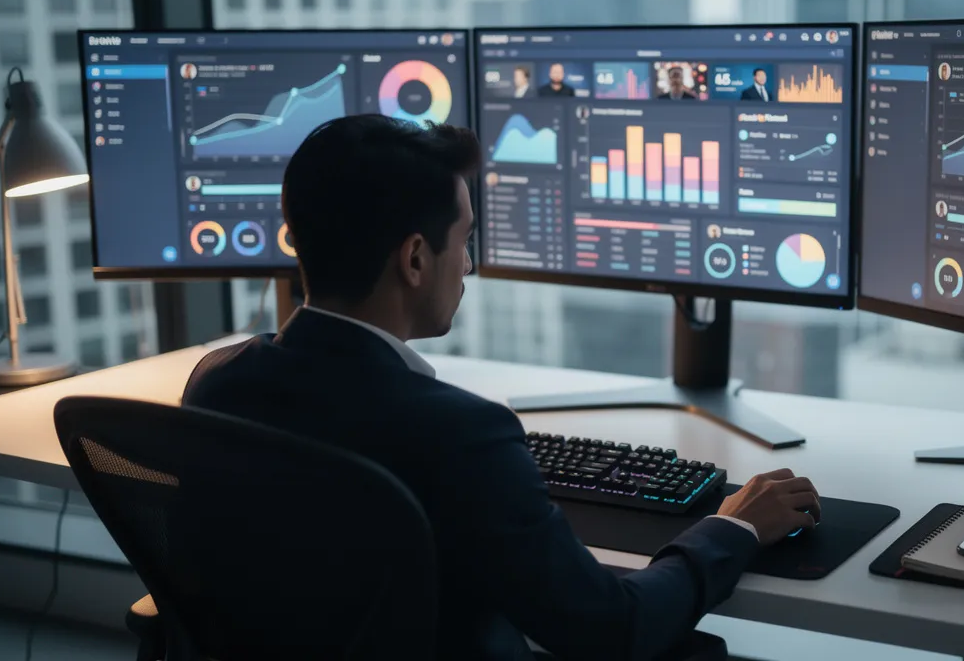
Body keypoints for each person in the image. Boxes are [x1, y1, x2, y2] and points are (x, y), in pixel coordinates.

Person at [182, 115, 820, 661]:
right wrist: (729, 529)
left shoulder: (217, 384)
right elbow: (613, 631)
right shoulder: (459, 433)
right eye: (464, 241)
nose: (468, 266)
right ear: (413, 259)